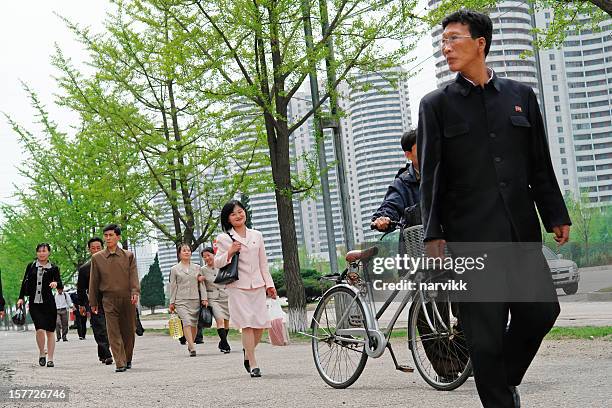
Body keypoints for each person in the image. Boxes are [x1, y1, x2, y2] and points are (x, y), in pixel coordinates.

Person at [417, 10, 571, 407]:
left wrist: (555, 212)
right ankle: (500, 396)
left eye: (453, 38)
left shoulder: (521, 97)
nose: (445, 47)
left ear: (480, 43)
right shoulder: (436, 105)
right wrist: (434, 233)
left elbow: (539, 161)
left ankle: (499, 382)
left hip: (519, 233)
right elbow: (431, 174)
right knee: (483, 337)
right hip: (470, 240)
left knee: (540, 314)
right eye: (443, 40)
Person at [214, 200, 277, 378]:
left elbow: (263, 263)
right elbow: (217, 263)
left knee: (260, 325)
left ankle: (247, 351)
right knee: (247, 324)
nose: (238, 216)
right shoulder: (224, 238)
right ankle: (253, 363)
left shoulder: (257, 235)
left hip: (257, 285)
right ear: (228, 219)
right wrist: (230, 251)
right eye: (233, 214)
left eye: (240, 212)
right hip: (237, 286)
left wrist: (270, 285)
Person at [89, 224, 140, 373]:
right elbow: (94, 281)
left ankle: (127, 358)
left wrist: (135, 292)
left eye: (111, 235)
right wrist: (93, 302)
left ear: (118, 237)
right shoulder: (97, 258)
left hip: (127, 298)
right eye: (106, 235)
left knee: (129, 330)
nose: (108, 238)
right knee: (113, 332)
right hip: (108, 299)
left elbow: (133, 276)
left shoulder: (128, 256)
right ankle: (120, 362)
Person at [17, 243, 62, 368]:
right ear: (37, 253)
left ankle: (50, 359)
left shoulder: (53, 268)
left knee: (50, 331)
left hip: (49, 303)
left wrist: (55, 283)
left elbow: (60, 284)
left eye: (44, 251)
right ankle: (42, 352)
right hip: (34, 304)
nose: (42, 253)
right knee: (40, 329)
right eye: (40, 251)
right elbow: (24, 282)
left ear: (49, 253)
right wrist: (20, 298)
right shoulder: (31, 266)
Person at [77, 237, 113, 365]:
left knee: (109, 327)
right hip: (94, 301)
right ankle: (107, 354)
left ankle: (102, 352)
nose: (96, 250)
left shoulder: (110, 263)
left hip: (110, 299)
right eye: (93, 248)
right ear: (89, 250)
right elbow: (80, 289)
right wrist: (81, 305)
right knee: (99, 327)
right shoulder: (84, 269)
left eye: (99, 248)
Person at [168, 243, 208, 357]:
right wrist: (172, 302)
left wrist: (204, 298)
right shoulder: (174, 269)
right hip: (181, 300)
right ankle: (192, 347)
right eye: (184, 251)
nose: (187, 252)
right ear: (179, 254)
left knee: (194, 324)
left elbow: (202, 284)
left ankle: (190, 344)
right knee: (186, 322)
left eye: (188, 250)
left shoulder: (197, 267)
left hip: (195, 299)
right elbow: (173, 286)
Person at [199, 246, 231, 353]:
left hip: (225, 296)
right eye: (204, 257)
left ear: (214, 255)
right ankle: (225, 344)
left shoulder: (222, 265)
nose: (207, 258)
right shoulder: (202, 270)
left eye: (209, 255)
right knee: (220, 320)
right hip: (213, 298)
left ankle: (222, 342)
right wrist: (204, 299)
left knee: (226, 321)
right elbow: (202, 286)